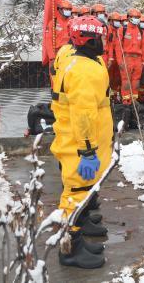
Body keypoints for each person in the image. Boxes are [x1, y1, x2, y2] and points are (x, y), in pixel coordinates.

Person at [50, 15, 113, 269]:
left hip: (78, 141)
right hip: (80, 144)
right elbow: (83, 114)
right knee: (74, 194)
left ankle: (76, 240)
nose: (102, 41)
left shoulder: (81, 61)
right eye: (99, 37)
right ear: (89, 39)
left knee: (81, 192)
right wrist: (87, 151)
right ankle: (70, 249)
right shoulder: (83, 70)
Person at [120, 8, 144, 105]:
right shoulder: (123, 29)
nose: (136, 19)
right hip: (127, 58)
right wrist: (120, 61)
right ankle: (126, 100)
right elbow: (118, 48)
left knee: (136, 81)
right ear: (129, 18)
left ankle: (134, 99)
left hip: (138, 59)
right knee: (126, 81)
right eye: (134, 17)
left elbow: (143, 47)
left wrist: (143, 61)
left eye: (138, 17)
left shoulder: (140, 30)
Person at [105, 12, 124, 99]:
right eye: (115, 20)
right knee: (108, 77)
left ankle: (115, 96)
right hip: (108, 57)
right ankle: (108, 96)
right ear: (111, 21)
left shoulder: (120, 31)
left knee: (117, 78)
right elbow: (108, 45)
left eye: (118, 21)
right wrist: (110, 57)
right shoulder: (107, 30)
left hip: (118, 58)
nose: (117, 22)